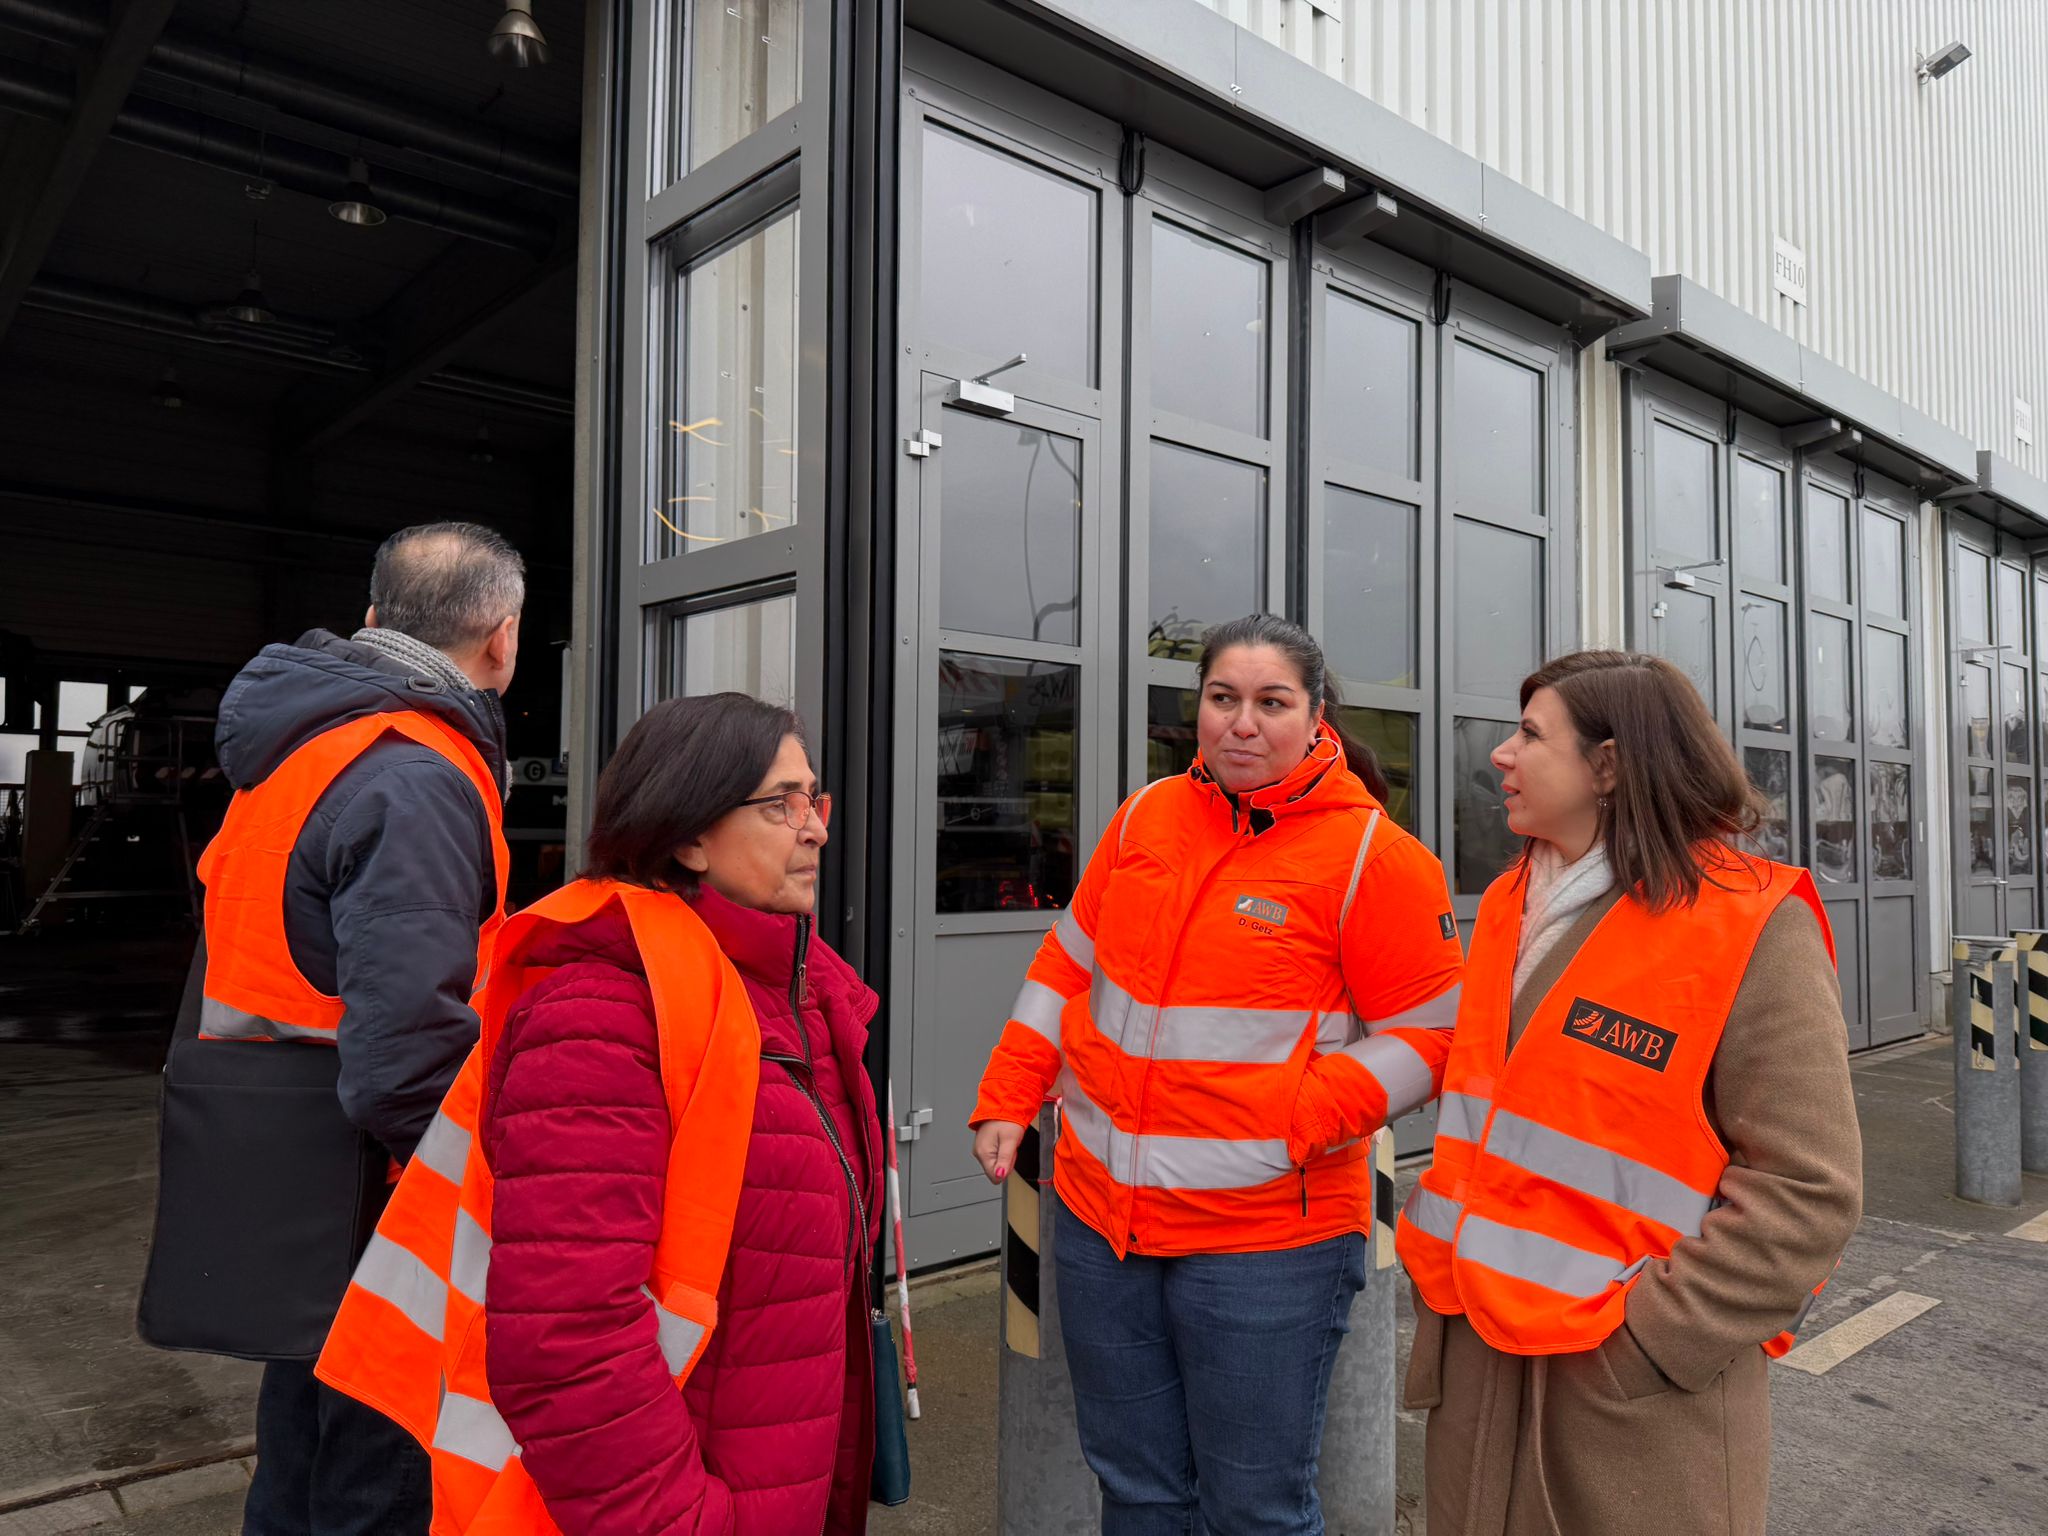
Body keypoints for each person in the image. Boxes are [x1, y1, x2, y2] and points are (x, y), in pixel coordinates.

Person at [316, 693, 884, 1536]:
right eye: (781, 805)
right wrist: (684, 1522)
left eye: (815, 799)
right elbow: (565, 1340)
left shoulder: (801, 998)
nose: (815, 828)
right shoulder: (603, 1013)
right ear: (687, 834)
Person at [972, 613, 1465, 1536]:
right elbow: (1066, 964)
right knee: (1136, 1485)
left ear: (1316, 715)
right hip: (1098, 1222)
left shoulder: (1376, 860)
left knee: (1255, 1509)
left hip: (1266, 1245)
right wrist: (1008, 1090)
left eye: (1270, 703)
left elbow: (1432, 1037)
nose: (1241, 723)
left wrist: (1294, 1113)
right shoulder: (1147, 815)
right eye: (1222, 699)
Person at [1397, 650, 1862, 1536]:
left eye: (1531, 735)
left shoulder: (1752, 923)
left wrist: (1650, 1344)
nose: (1501, 754)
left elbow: (1809, 1195)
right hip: (1477, 1374)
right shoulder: (1504, 906)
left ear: (1608, 766)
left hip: (1625, 1415)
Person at [176, 521, 524, 1536]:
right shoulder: (414, 773)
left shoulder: (307, 746)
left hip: (284, 1155)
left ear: (372, 618)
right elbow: (405, 1050)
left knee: (301, 1443)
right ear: (500, 641)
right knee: (376, 1471)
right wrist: (474, 1176)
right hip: (375, 1183)